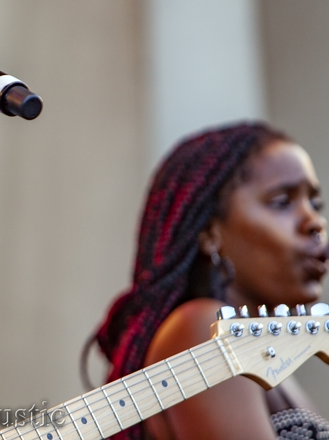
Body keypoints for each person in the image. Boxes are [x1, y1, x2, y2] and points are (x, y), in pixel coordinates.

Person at [88, 122, 329, 439]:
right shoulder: (203, 330)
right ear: (210, 233)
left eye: (315, 204)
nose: (314, 222)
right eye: (282, 202)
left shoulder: (268, 356)